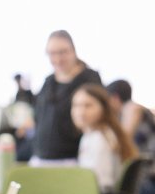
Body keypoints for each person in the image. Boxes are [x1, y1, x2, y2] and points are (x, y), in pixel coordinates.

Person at [31, 30, 103, 166]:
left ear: (73, 51)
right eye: (52, 53)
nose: (57, 59)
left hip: (73, 159)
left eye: (62, 52)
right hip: (40, 157)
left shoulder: (89, 79)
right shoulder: (48, 82)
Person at [108, 80, 155, 194]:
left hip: (153, 181)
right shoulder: (134, 109)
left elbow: (122, 142)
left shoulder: (132, 108)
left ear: (115, 98)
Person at [71, 84, 138, 194]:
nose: (80, 112)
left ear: (103, 109)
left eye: (88, 105)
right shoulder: (97, 134)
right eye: (76, 105)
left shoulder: (99, 139)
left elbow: (102, 185)